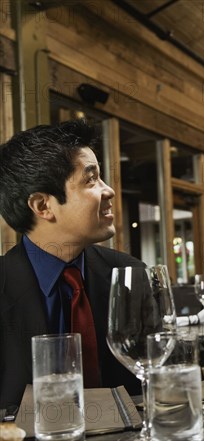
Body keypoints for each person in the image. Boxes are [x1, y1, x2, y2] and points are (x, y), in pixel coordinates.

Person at [0, 119, 143, 408]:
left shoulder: (129, 275)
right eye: (91, 180)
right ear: (43, 206)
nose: (109, 191)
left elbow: (155, 380)